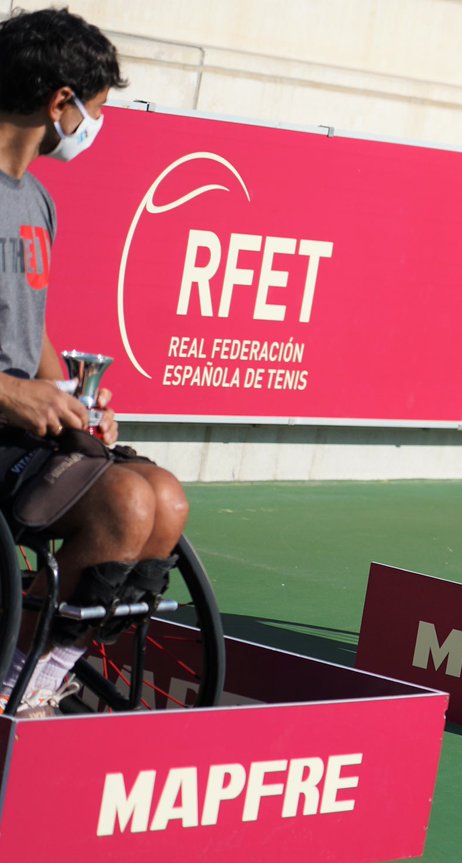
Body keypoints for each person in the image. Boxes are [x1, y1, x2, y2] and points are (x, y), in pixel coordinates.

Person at [0, 8, 189, 716]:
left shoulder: (37, 200)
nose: (90, 128)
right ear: (59, 102)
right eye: (93, 111)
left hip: (23, 433)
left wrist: (71, 396)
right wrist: (13, 395)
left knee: (163, 497)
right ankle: (15, 671)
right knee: (125, 501)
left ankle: (47, 667)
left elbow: (32, 327)